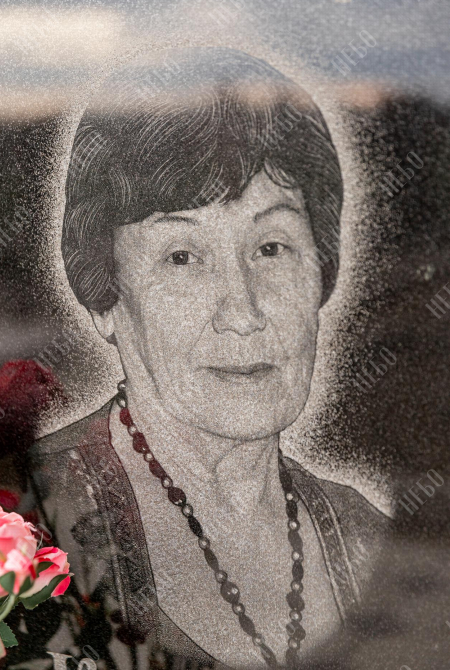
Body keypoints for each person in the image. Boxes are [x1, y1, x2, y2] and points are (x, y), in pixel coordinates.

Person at [28, 47, 391, 670]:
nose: (242, 312)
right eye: (182, 257)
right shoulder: (13, 528)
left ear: (320, 272)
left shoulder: (372, 538)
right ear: (106, 298)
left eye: (271, 247)